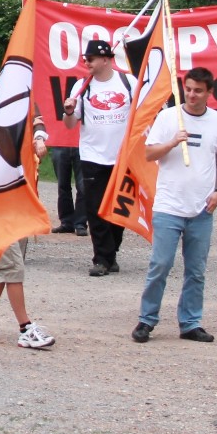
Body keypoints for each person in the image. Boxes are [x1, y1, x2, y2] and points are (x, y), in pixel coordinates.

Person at [132, 68, 217, 344]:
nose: (192, 95)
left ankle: (190, 322)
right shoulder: (169, 117)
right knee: (161, 264)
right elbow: (149, 153)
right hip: (169, 205)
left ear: (209, 92)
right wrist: (172, 142)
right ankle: (146, 319)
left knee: (196, 270)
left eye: (198, 91)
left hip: (202, 208)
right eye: (188, 89)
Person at [0, 125, 56, 351]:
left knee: (4, 269)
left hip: (16, 211)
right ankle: (25, 328)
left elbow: (37, 120)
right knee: (12, 268)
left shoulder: (18, 125)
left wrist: (38, 138)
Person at [68, 39, 136, 276]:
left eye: (91, 59)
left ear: (106, 59)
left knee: (118, 208)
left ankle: (111, 252)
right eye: (85, 59)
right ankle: (101, 259)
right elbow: (70, 124)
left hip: (123, 157)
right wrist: (68, 111)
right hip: (92, 155)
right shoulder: (81, 87)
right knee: (95, 208)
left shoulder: (128, 82)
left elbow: (143, 114)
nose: (87, 63)